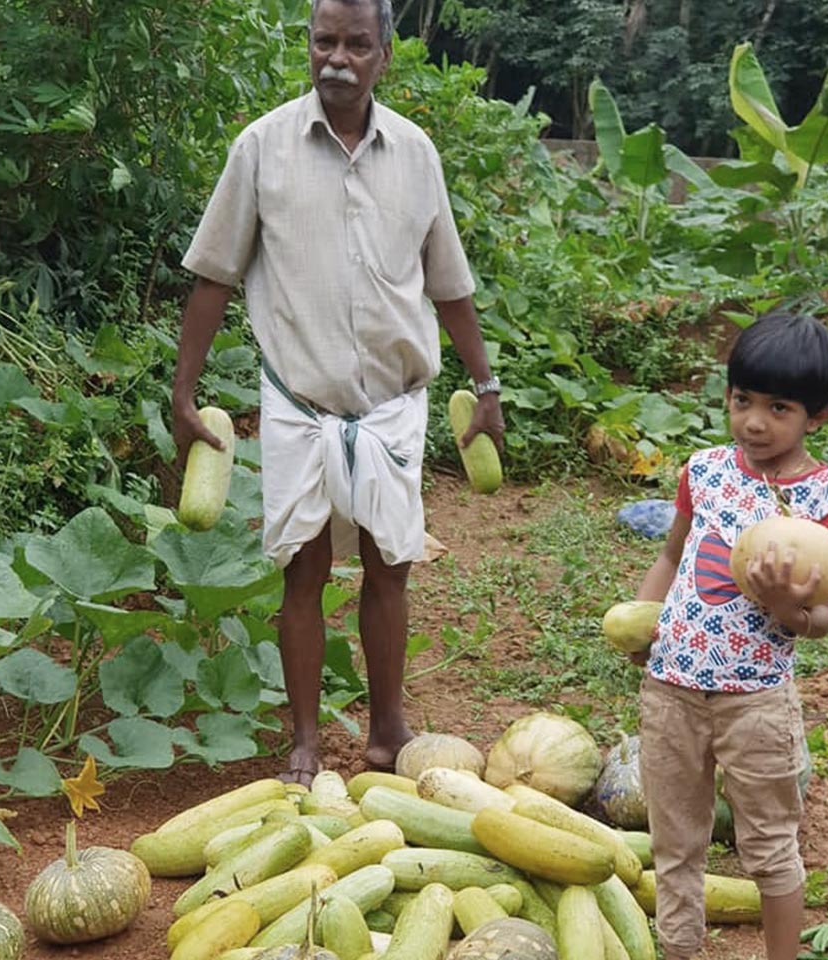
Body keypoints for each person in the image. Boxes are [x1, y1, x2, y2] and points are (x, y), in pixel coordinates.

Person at [171, 0, 504, 786]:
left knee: (392, 563)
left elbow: (449, 284)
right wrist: (184, 396)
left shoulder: (415, 153)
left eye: (357, 43)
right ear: (309, 46)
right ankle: (307, 741)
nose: (338, 59)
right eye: (326, 41)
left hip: (392, 404)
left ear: (385, 53)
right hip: (300, 399)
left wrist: (485, 384)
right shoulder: (261, 149)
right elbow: (215, 276)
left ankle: (389, 729)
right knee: (305, 570)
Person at [630, 311, 828, 960]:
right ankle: (679, 950)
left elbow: (820, 621)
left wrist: (787, 603)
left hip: (755, 702)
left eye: (778, 407)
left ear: (817, 416)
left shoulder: (824, 500)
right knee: (675, 845)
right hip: (670, 689)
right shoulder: (703, 472)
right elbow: (672, 558)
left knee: (769, 847)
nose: (754, 421)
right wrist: (643, 623)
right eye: (741, 400)